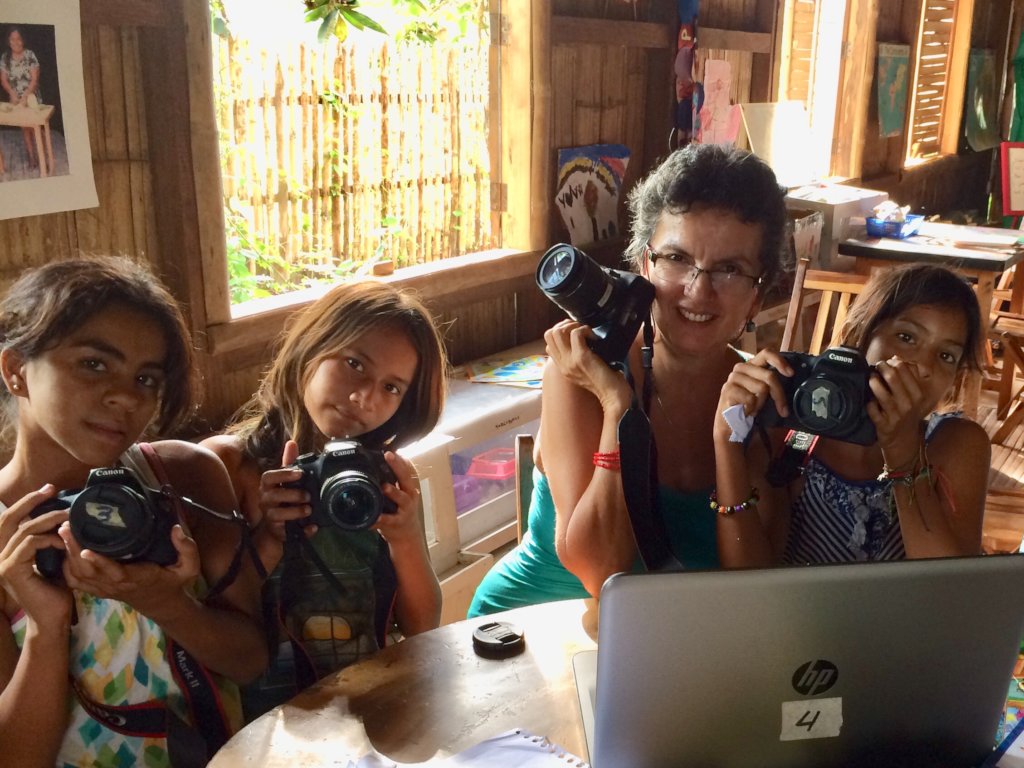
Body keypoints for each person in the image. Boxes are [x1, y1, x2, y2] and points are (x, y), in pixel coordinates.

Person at [468, 144, 789, 616]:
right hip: (531, 632)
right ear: (644, 265)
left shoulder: (763, 400)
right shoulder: (581, 371)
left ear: (759, 295)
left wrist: (730, 447)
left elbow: (758, 587)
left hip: (672, 647)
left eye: (730, 269)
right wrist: (617, 408)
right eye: (677, 258)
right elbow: (601, 573)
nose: (698, 290)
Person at [0, 257, 267, 767]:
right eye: (94, 363)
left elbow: (252, 661)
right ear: (16, 371)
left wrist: (167, 604)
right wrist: (46, 627)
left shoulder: (184, 476)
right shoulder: (5, 540)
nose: (126, 396)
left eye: (147, 378)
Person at [202, 280, 446, 719]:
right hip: (262, 722)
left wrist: (406, 539)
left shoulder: (383, 481)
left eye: (392, 388)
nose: (364, 398)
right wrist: (269, 535)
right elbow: (215, 621)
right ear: (311, 348)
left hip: (369, 708)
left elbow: (421, 626)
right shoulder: (227, 466)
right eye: (354, 363)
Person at [714, 263, 988, 566]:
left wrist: (902, 451)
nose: (924, 367)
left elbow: (949, 592)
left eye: (946, 356)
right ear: (859, 336)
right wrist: (727, 442)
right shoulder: (794, 439)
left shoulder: (956, 445)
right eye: (907, 337)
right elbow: (749, 576)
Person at [0, 27, 42, 169]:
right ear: (8, 41)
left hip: (31, 96)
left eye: (18, 39)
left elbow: (35, 79)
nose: (15, 42)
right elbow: (4, 79)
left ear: (23, 40)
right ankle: (32, 157)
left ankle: (43, 157)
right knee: (25, 127)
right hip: (15, 98)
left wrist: (25, 96)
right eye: (12, 39)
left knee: (35, 126)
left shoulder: (30, 55)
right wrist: (12, 93)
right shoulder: (5, 57)